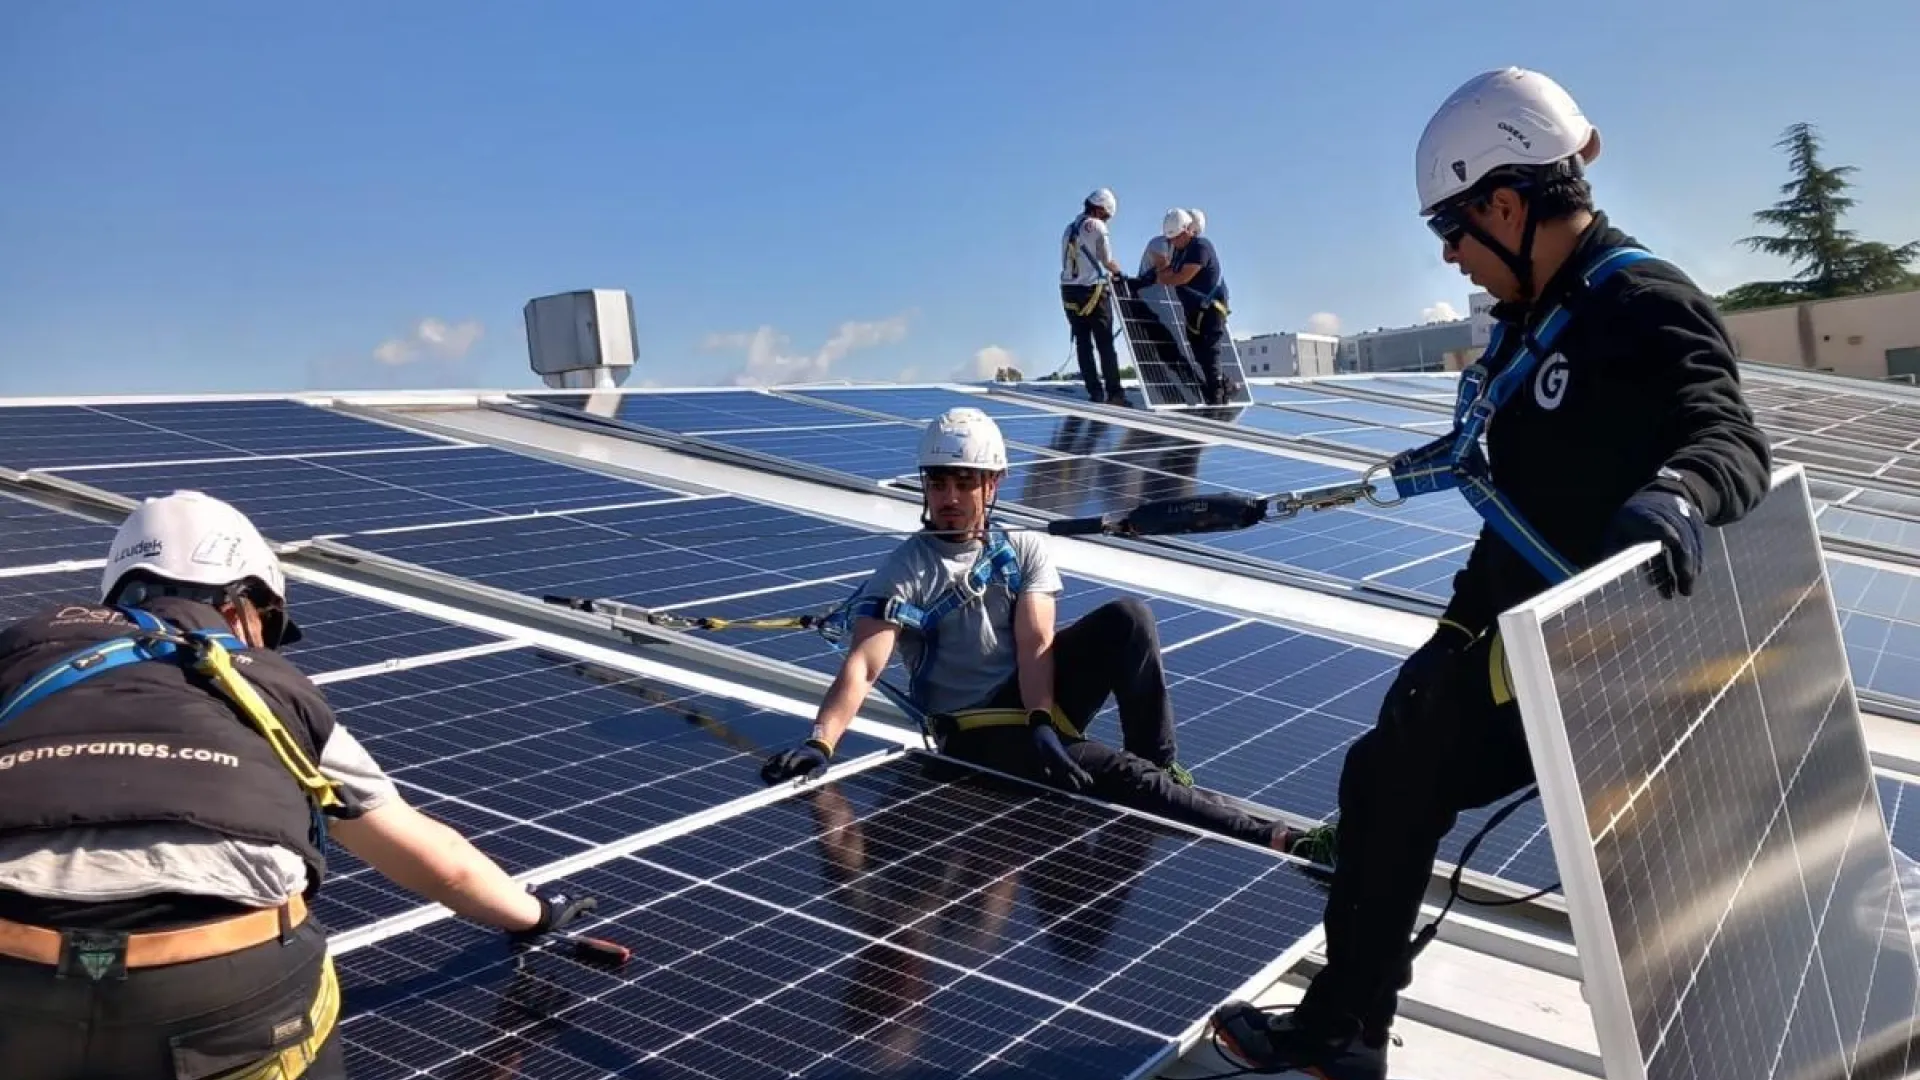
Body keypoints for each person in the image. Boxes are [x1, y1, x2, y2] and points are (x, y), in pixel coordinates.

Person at [1209, 67, 1773, 1079]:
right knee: (1384, 782)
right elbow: (1511, 490)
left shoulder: (1640, 303)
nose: (1450, 257)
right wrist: (1456, 640)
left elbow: (1727, 433)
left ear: (1505, 203)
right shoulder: (1529, 320)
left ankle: (1346, 1025)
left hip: (1606, 656)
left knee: (1407, 789)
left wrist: (1681, 492)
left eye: (1453, 230)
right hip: (1509, 633)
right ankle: (1347, 1025)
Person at [0, 491, 599, 1080]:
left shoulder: (22, 655)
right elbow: (433, 858)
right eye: (271, 622)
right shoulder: (266, 690)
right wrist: (536, 916)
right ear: (239, 608)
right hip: (220, 985)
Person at [760, 408, 1290, 853]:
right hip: (978, 736)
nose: (948, 495)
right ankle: (1279, 840)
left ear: (992, 484)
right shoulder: (907, 568)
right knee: (1117, 774)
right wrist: (821, 742)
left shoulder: (1022, 549)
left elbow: (1037, 643)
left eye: (964, 481)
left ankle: (1161, 771)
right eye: (938, 481)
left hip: (1035, 704)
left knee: (1129, 619)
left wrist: (1041, 721)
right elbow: (864, 664)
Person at [1138, 208, 1236, 405]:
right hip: (1194, 312)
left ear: (1187, 230)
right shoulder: (1181, 252)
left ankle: (1216, 393)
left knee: (1210, 350)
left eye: (1176, 237)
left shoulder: (1201, 247)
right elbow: (1167, 273)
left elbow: (1180, 277)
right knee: (1198, 352)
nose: (1173, 242)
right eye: (1170, 239)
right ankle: (1225, 385)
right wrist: (1161, 275)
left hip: (1211, 309)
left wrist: (1164, 276)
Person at [1059, 187, 1128, 406]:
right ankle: (1115, 393)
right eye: (1107, 216)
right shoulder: (1097, 226)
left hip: (1069, 292)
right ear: (1100, 210)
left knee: (1082, 342)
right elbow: (1107, 260)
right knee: (1105, 343)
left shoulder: (1069, 229)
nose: (1106, 221)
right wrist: (1120, 273)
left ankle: (1095, 392)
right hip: (1092, 292)